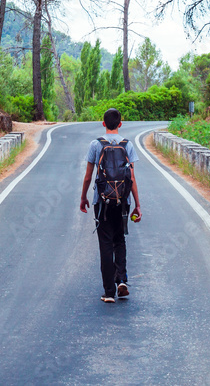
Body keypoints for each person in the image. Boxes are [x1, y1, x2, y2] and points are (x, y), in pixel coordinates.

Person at [80, 108, 142, 303]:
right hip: (123, 201)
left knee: (105, 244)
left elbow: (88, 176)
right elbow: (131, 178)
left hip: (103, 201)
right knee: (120, 240)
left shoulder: (96, 145)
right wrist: (137, 205)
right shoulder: (128, 145)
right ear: (121, 124)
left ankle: (109, 292)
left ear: (103, 123)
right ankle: (122, 279)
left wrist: (83, 198)